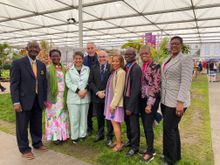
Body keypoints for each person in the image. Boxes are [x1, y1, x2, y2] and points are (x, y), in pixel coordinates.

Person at [10, 41, 47, 160]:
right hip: (23, 101)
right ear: (27, 48)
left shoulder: (41, 65)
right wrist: (16, 102)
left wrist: (44, 100)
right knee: (22, 126)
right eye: (31, 47)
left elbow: (43, 84)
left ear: (39, 50)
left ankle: (37, 143)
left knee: (36, 123)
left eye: (36, 48)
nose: (34, 49)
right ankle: (24, 148)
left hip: (38, 100)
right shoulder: (18, 63)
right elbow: (14, 84)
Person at [161, 36, 193, 165]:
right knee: (173, 129)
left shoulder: (185, 59)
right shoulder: (167, 59)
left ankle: (170, 159)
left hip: (176, 102)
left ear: (181, 45)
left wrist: (180, 102)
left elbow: (186, 82)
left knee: (168, 129)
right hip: (165, 100)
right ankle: (176, 155)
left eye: (176, 44)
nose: (174, 46)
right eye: (172, 43)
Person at [139, 45, 161, 163]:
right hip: (142, 99)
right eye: (142, 54)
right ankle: (149, 148)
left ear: (150, 54)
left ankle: (150, 152)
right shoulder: (142, 66)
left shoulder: (155, 66)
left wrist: (149, 104)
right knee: (146, 125)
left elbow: (156, 86)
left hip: (151, 100)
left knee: (148, 126)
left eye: (146, 53)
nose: (144, 56)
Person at [88, 50, 113, 146]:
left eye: (103, 57)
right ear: (97, 58)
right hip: (97, 97)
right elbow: (90, 82)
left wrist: (105, 92)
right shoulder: (93, 68)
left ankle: (110, 136)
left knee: (109, 118)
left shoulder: (111, 68)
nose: (102, 59)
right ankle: (100, 133)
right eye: (100, 57)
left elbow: (113, 82)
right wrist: (97, 92)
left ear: (107, 57)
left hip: (108, 96)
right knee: (99, 116)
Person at [45, 49, 69, 145]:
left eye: (57, 56)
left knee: (63, 117)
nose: (56, 57)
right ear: (50, 58)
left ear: (60, 57)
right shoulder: (47, 69)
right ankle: (55, 137)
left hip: (63, 96)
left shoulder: (63, 68)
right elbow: (44, 85)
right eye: (53, 56)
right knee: (53, 118)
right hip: (52, 97)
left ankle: (63, 135)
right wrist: (45, 99)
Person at [66, 51, 90, 143]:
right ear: (73, 59)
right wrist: (77, 91)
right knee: (74, 118)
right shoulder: (69, 69)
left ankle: (82, 135)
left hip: (85, 97)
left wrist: (85, 90)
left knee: (84, 118)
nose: (78, 60)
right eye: (76, 58)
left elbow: (90, 80)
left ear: (83, 59)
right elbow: (68, 82)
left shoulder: (87, 69)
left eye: (80, 58)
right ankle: (74, 137)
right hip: (73, 98)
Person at [104, 54, 126, 152]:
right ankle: (119, 141)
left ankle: (119, 145)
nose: (115, 63)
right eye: (113, 61)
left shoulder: (121, 73)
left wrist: (112, 105)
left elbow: (119, 90)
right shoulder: (115, 72)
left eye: (117, 61)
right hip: (112, 100)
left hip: (115, 102)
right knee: (116, 123)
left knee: (114, 123)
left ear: (121, 62)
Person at [123, 47, 142, 157]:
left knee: (134, 126)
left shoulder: (136, 68)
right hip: (125, 99)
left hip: (132, 102)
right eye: (126, 54)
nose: (127, 56)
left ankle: (135, 147)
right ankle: (130, 141)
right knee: (128, 124)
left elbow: (135, 89)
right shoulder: (126, 66)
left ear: (135, 56)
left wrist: (130, 107)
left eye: (130, 55)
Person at [83, 42, 99, 135]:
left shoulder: (99, 58)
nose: (90, 50)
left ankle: (101, 127)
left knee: (98, 108)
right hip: (87, 87)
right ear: (86, 49)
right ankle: (89, 127)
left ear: (95, 48)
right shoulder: (84, 60)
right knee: (88, 109)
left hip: (97, 87)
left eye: (91, 48)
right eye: (88, 48)